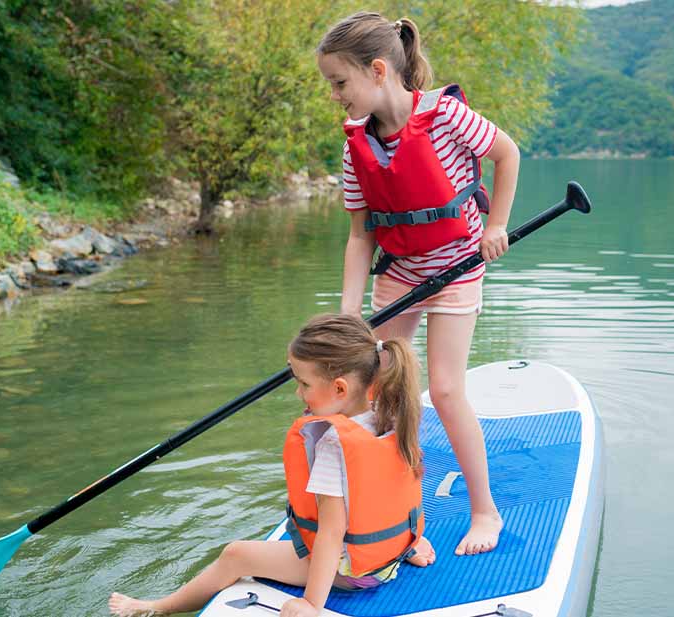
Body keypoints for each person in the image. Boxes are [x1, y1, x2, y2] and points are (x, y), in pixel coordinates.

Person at [317, 12, 520, 556]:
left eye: (340, 82)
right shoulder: (354, 147)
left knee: (448, 390)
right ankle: (398, 520)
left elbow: (507, 154)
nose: (334, 95)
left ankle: (485, 512)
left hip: (457, 271)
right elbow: (361, 237)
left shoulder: (447, 116)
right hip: (401, 275)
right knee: (383, 393)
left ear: (378, 70)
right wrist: (348, 314)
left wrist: (495, 224)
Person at [108, 314, 435, 617]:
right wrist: (406, 544)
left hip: (353, 574)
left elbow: (331, 533)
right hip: (393, 555)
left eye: (304, 384)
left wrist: (311, 603)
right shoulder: (392, 413)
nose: (298, 392)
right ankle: (404, 549)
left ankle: (158, 607)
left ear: (339, 388)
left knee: (236, 555)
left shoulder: (335, 445)